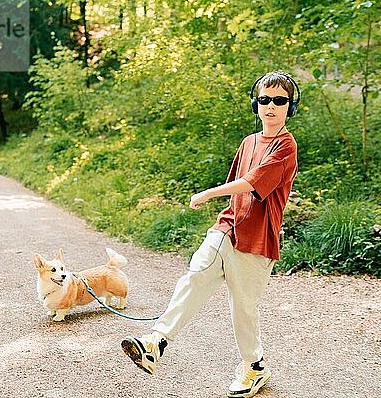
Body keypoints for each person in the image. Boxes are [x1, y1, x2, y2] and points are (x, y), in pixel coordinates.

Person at [121, 71, 299, 398]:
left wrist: (207, 193)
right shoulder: (248, 142)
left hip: (258, 238)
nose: (271, 106)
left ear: (291, 106)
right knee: (194, 277)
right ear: (255, 104)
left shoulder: (286, 145)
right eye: (264, 100)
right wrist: (220, 203)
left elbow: (251, 183)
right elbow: (238, 191)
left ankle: (255, 368)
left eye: (279, 100)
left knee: (242, 308)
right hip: (227, 227)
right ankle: (154, 343)